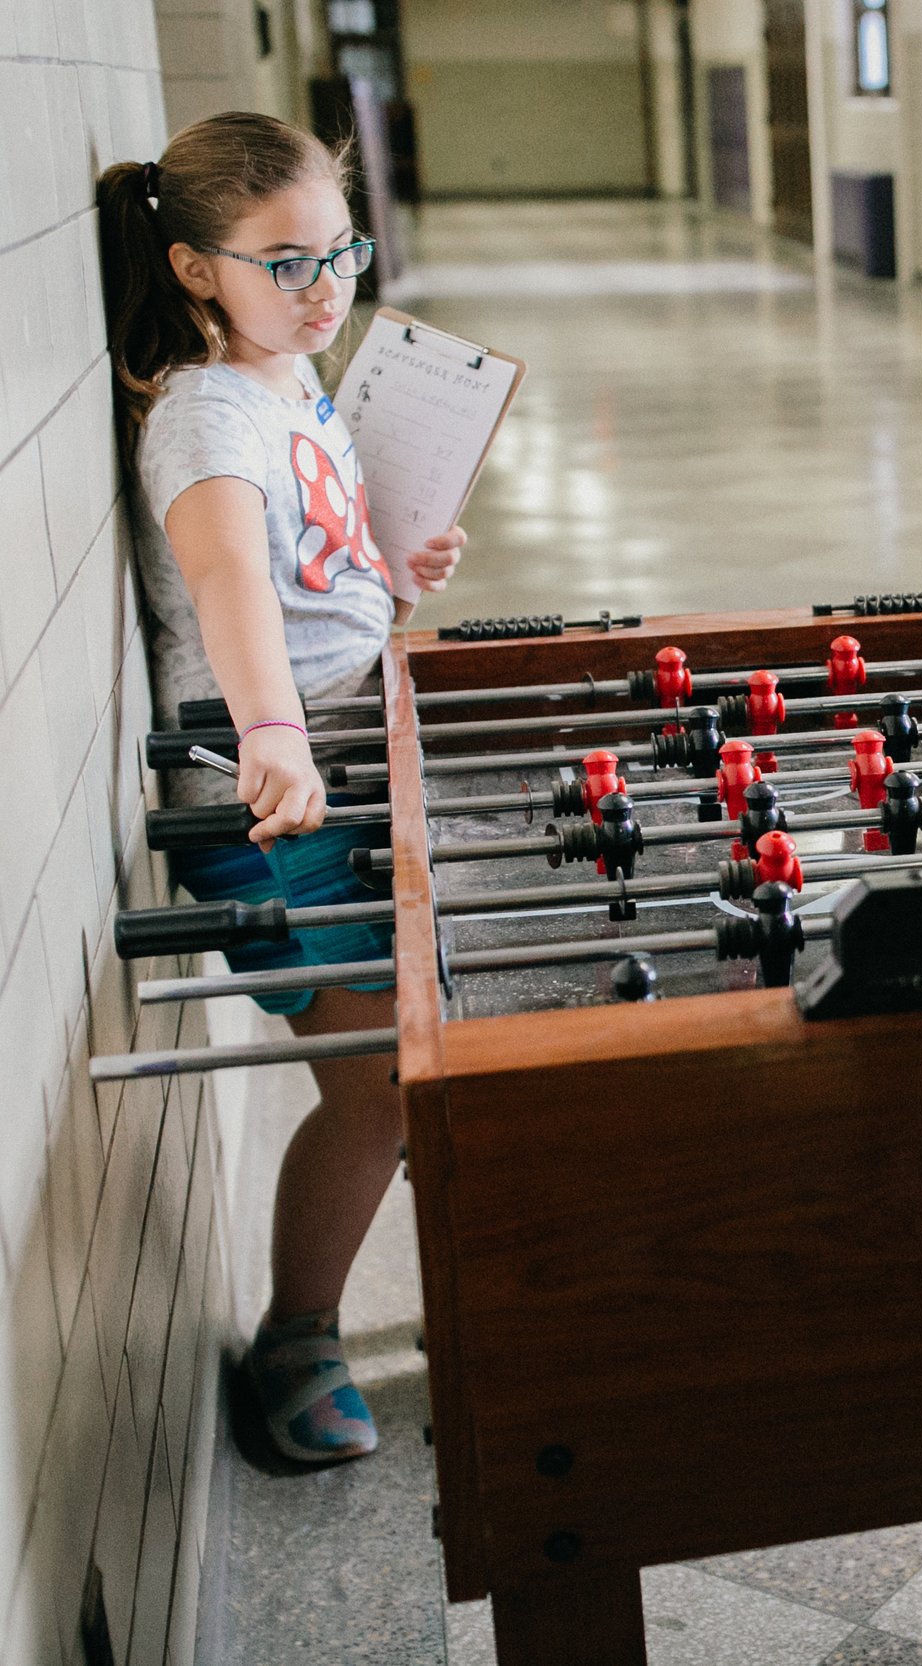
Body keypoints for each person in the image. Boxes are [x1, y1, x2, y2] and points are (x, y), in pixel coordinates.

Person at [100, 112, 467, 1463]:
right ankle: (298, 1336)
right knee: (374, 1082)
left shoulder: (294, 382)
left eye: (342, 254)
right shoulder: (204, 410)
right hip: (266, 793)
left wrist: (393, 576)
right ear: (199, 270)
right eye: (286, 262)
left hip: (343, 749)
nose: (325, 290)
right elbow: (229, 581)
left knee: (417, 1048)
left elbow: (307, 565)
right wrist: (271, 725)